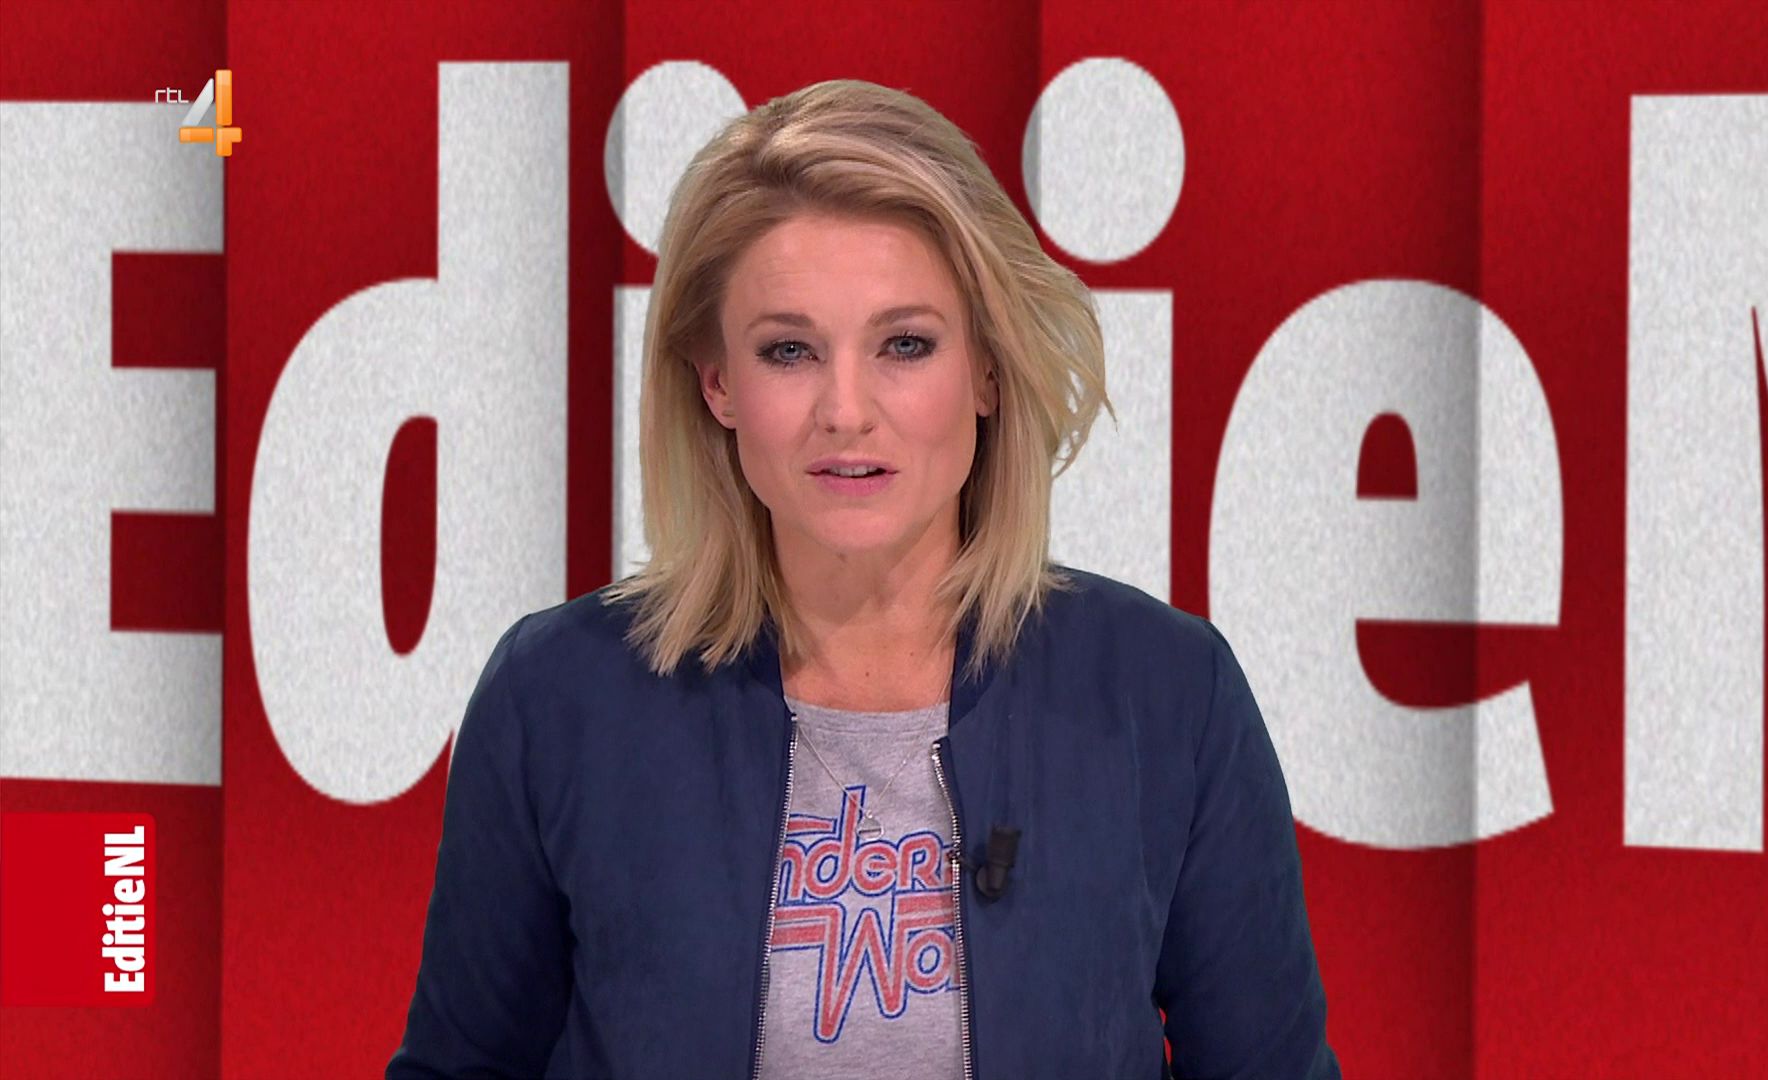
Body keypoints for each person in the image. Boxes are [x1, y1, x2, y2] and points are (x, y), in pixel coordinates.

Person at [388, 78, 1337, 1080]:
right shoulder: (556, 698)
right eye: (789, 350)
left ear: (987, 369)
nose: (846, 410)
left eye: (905, 345)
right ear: (717, 382)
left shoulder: (1167, 694)